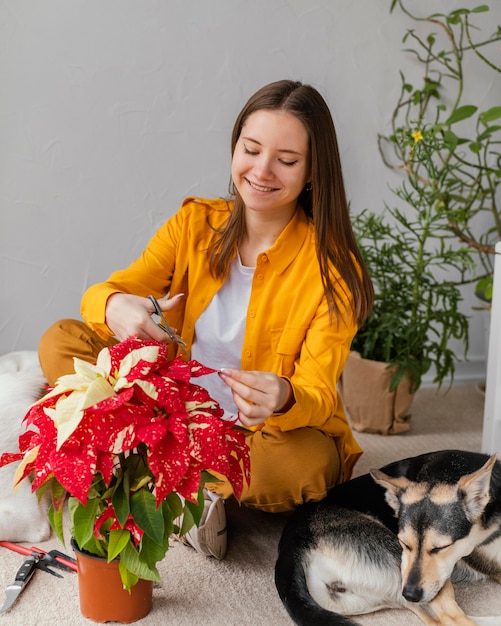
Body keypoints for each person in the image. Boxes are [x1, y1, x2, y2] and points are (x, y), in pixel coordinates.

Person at [38, 79, 374, 559]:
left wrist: (282, 395)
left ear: (313, 171)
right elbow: (109, 293)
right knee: (60, 340)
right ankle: (180, 482)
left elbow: (318, 393)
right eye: (251, 149)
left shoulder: (333, 269)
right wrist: (115, 305)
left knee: (309, 464)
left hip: (252, 437)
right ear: (235, 146)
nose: (261, 170)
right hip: (170, 410)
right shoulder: (194, 224)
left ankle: (150, 474)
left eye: (287, 159)